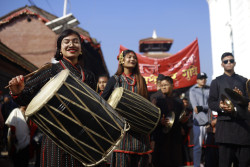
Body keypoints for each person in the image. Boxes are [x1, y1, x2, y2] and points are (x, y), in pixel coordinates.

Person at [8, 29, 96, 166]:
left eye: (75, 42)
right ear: (60, 49)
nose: (71, 45)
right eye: (66, 42)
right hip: (55, 135)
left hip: (81, 138)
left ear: (81, 49)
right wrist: (18, 91)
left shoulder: (89, 76)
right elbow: (24, 99)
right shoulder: (50, 70)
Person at [101, 49, 151, 167]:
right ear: (122, 61)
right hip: (121, 130)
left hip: (139, 130)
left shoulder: (141, 80)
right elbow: (103, 100)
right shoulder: (115, 79)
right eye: (129, 57)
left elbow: (147, 102)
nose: (132, 59)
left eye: (134, 57)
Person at [208, 52, 250, 167]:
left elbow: (248, 101)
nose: (229, 63)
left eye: (231, 60)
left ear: (234, 63)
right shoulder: (216, 82)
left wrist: (241, 98)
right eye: (226, 61)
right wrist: (220, 106)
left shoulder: (244, 81)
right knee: (224, 163)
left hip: (243, 127)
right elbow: (211, 102)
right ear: (222, 64)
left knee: (244, 163)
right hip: (225, 128)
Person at [150, 75, 184, 167]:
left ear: (172, 85)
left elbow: (180, 117)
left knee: (175, 159)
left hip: (175, 135)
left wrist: (182, 121)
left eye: (166, 85)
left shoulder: (178, 101)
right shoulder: (156, 99)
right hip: (161, 135)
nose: (163, 87)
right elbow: (152, 116)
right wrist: (160, 121)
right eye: (162, 85)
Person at [189, 72, 210, 167]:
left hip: (209, 121)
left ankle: (208, 163)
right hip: (198, 122)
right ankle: (196, 165)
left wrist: (202, 107)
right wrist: (206, 121)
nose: (203, 80)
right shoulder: (192, 90)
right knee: (198, 146)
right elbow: (195, 108)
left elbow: (211, 105)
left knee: (209, 146)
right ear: (197, 80)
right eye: (201, 78)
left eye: (204, 78)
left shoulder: (209, 89)